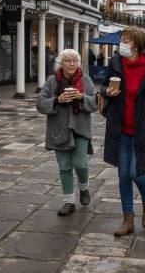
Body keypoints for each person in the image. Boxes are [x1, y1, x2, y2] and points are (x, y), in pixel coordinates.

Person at [101, 27, 145, 236]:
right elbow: (103, 87)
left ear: (137, 44)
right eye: (121, 40)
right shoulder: (115, 63)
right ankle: (127, 220)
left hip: (143, 131)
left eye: (126, 40)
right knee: (122, 175)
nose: (122, 44)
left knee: (135, 172)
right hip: (120, 128)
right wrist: (107, 92)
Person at [36, 49, 98, 216]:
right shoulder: (52, 81)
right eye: (67, 61)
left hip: (80, 128)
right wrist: (57, 100)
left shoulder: (85, 80)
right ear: (60, 64)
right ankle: (69, 201)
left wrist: (80, 97)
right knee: (64, 167)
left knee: (81, 164)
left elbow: (95, 103)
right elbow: (40, 104)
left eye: (74, 61)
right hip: (59, 130)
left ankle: (84, 188)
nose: (71, 64)